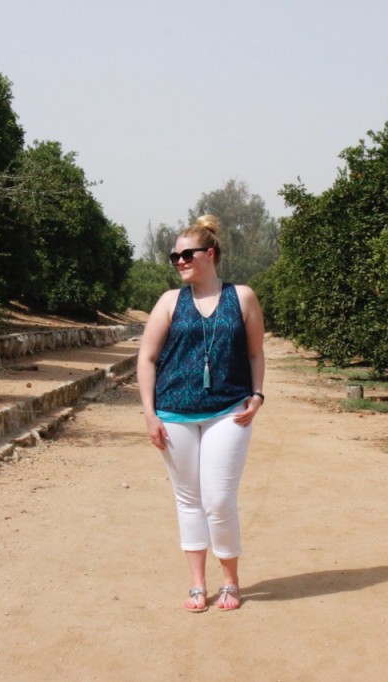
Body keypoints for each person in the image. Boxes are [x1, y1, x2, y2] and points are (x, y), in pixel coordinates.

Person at [137, 214, 265, 613]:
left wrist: (258, 394)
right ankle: (197, 583)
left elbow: (255, 351)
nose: (179, 261)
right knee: (188, 499)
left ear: (210, 254)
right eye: (174, 255)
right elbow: (147, 357)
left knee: (219, 498)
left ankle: (230, 579)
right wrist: (149, 413)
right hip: (174, 412)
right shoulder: (169, 301)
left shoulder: (241, 296)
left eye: (186, 253)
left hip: (229, 410)